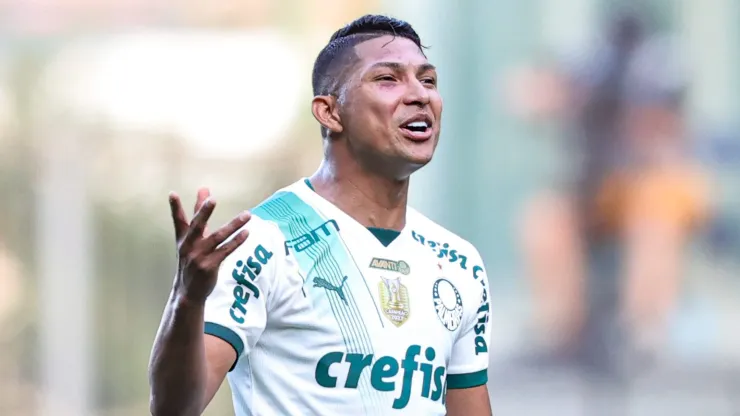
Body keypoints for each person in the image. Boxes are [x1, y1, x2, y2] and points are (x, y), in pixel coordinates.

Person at [148, 14, 493, 416]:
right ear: (329, 112)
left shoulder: (458, 262)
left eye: (428, 80)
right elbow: (174, 409)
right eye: (388, 79)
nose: (420, 95)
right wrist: (187, 298)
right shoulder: (263, 241)